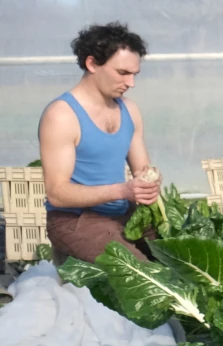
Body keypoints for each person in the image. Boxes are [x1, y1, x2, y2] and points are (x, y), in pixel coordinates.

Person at [40, 22, 162, 263]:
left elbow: (143, 171)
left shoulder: (130, 109)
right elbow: (58, 194)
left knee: (180, 265)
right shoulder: (62, 115)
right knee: (147, 278)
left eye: (134, 74)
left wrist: (150, 182)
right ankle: (66, 253)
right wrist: (124, 190)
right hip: (77, 221)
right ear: (92, 63)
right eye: (123, 73)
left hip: (124, 214)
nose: (131, 83)